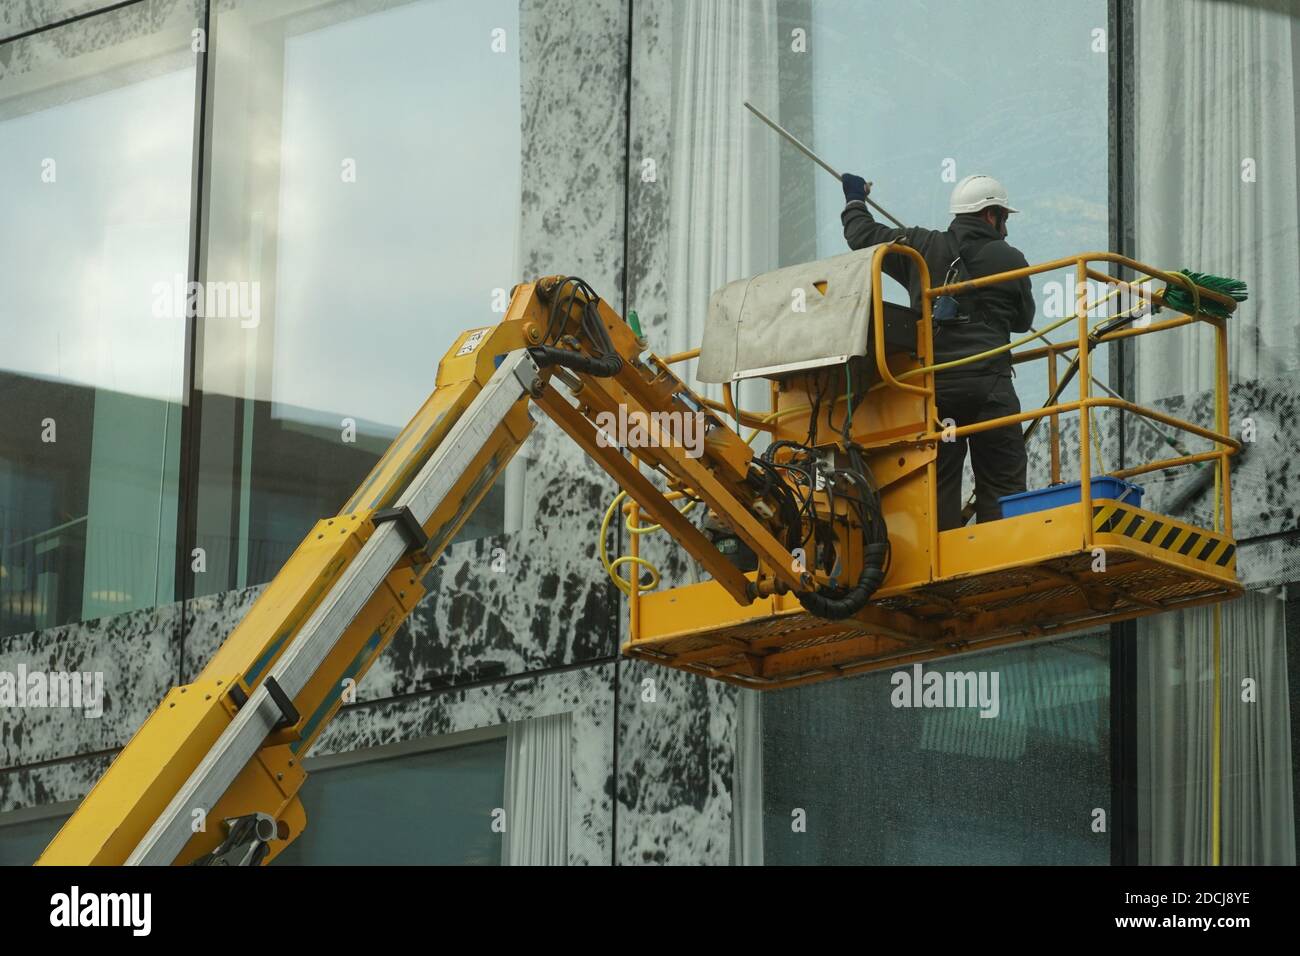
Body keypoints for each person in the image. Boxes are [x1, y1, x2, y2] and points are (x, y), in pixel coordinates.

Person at [840, 173, 1034, 530]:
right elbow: (1024, 320)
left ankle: (941, 555)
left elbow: (861, 237)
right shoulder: (1010, 258)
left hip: (933, 391)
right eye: (1003, 219)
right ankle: (1001, 553)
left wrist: (855, 197)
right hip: (991, 388)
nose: (1005, 229)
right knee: (1002, 479)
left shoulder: (920, 248)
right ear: (991, 215)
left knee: (938, 480)